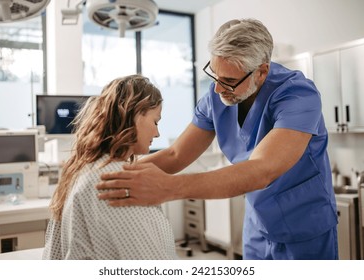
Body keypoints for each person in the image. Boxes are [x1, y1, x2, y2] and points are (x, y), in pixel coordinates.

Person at [96, 19, 338, 260]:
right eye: (215, 76)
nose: (218, 90)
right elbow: (175, 155)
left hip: (305, 224)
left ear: (262, 72)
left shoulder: (298, 95)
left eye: (229, 81)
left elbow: (263, 169)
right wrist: (110, 174)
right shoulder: (216, 97)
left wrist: (168, 187)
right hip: (258, 222)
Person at [42, 74, 178, 260]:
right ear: (136, 114)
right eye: (155, 121)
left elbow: (53, 254)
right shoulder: (119, 181)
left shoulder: (79, 168)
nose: (157, 132)